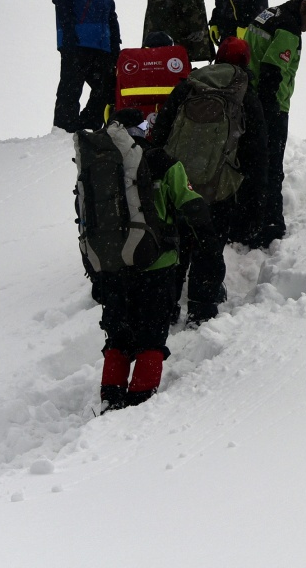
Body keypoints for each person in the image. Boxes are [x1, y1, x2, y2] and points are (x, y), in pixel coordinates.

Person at [83, 109, 217, 411]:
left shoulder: (98, 166)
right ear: (143, 130)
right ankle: (140, 403)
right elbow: (189, 203)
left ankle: (110, 398)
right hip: (156, 265)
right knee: (151, 336)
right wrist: (208, 241)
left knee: (118, 335)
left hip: (113, 267)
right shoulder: (163, 161)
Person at [151, 36, 268, 322]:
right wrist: (254, 196)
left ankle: (165, 309)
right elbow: (258, 150)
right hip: (218, 187)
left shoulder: (189, 83)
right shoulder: (244, 92)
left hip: (178, 184)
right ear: (245, 62)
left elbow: (161, 131)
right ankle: (202, 311)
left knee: (175, 245)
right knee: (209, 247)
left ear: (218, 57)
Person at [243, 0, 306, 247]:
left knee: (248, 164)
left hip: (245, 98)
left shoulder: (270, 14)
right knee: (270, 168)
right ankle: (269, 227)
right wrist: (269, 113)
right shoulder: (288, 27)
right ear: (305, 5)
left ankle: (243, 223)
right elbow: (272, 72)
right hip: (268, 106)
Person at [53, 0, 121, 131]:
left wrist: (115, 41)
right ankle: (63, 131)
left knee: (108, 87)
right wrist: (68, 32)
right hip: (77, 39)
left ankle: (89, 126)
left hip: (102, 43)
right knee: (71, 89)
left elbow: (110, 10)